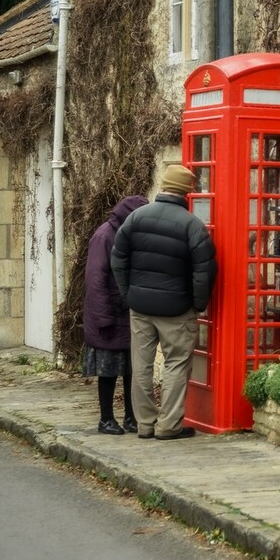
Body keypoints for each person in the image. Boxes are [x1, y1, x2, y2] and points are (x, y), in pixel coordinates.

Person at [110, 164, 217, 440]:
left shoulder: (136, 218)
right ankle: (169, 426)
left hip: (141, 307)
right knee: (176, 363)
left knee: (141, 365)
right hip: (176, 308)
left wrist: (128, 293)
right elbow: (204, 270)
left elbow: (118, 259)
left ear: (163, 185)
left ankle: (145, 424)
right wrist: (197, 304)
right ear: (187, 192)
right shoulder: (193, 225)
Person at [82, 195, 148, 435]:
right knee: (107, 370)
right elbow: (95, 279)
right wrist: (103, 318)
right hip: (108, 313)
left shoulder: (129, 234)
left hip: (128, 311)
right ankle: (106, 419)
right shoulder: (104, 236)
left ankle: (132, 417)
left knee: (133, 369)